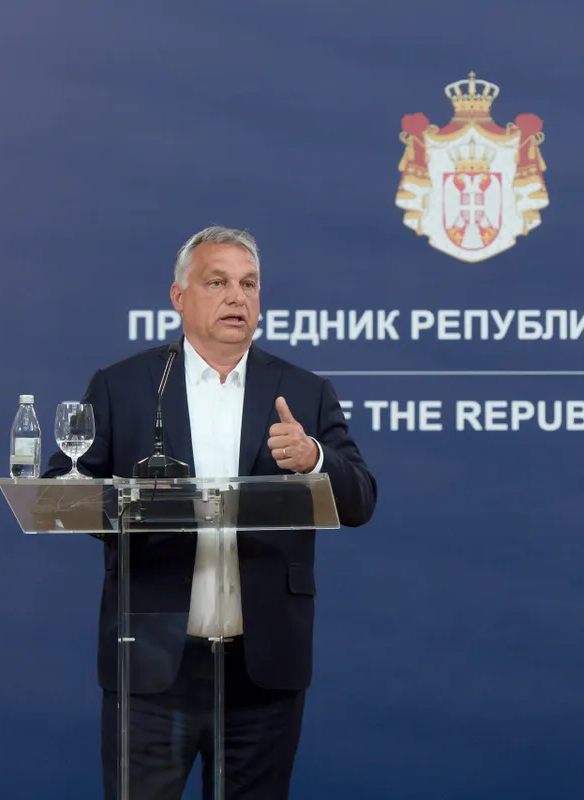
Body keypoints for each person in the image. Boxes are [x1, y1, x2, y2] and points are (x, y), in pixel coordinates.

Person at [43, 225, 377, 799]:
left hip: (262, 671)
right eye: (217, 282)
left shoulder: (304, 391)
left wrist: (315, 458)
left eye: (249, 284)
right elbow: (62, 489)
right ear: (179, 297)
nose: (236, 297)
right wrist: (138, 504)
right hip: (151, 665)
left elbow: (361, 499)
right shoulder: (123, 387)